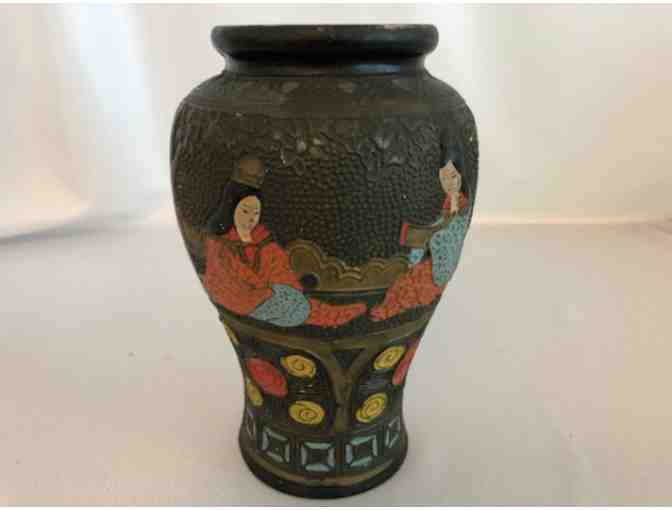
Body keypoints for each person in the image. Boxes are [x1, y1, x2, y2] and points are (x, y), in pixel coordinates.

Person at [203, 157, 366, 328]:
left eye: (255, 213)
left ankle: (326, 313)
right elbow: (226, 276)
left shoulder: (261, 239)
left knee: (296, 301)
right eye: (245, 211)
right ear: (231, 208)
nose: (250, 218)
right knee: (296, 305)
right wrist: (265, 290)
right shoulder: (220, 242)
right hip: (238, 296)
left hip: (266, 295)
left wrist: (286, 288)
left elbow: (278, 267)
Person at [370, 160, 470, 321]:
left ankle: (391, 312)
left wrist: (433, 234)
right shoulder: (445, 199)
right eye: (445, 178)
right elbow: (439, 222)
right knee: (403, 282)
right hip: (430, 249)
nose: (449, 181)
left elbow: (452, 226)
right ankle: (386, 308)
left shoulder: (459, 201)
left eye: (453, 177)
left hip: (437, 258)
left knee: (413, 284)